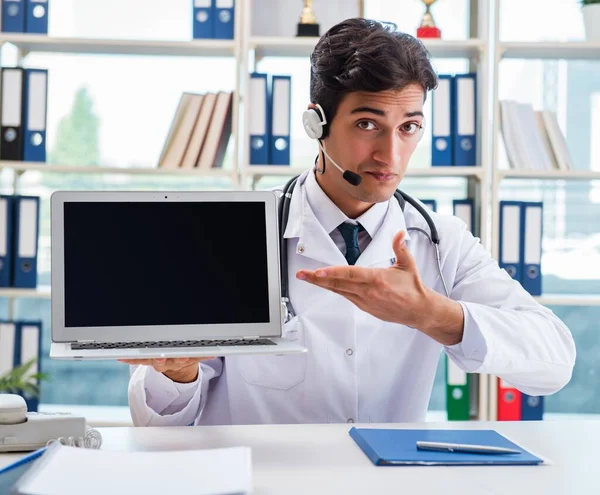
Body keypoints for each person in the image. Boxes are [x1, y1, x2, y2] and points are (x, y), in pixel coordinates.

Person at [122, 18, 575, 427]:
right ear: (315, 122)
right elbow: (159, 424)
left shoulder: (442, 242)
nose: (390, 155)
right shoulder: (232, 233)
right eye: (366, 124)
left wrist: (431, 313)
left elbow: (554, 363)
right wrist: (179, 375)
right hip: (265, 480)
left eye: (409, 127)